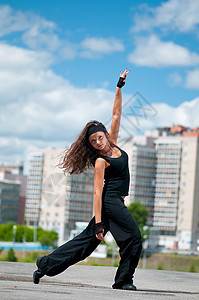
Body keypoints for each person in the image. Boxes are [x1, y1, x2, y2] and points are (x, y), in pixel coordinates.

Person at [33, 69, 142, 290]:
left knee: (85, 243)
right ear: (91, 145)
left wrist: (119, 87)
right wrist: (100, 222)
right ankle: (123, 280)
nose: (98, 142)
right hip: (110, 202)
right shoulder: (101, 161)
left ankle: (45, 265)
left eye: (99, 137)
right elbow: (97, 192)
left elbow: (116, 115)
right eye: (93, 141)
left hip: (115, 203)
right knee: (134, 237)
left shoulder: (114, 144)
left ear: (105, 134)